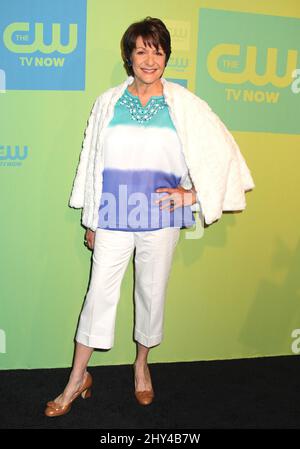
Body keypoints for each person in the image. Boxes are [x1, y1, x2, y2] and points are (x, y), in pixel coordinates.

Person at [44, 17, 254, 417]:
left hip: (160, 217)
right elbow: (92, 162)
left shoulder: (185, 105)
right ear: (129, 56)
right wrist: (91, 217)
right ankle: (77, 378)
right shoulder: (108, 101)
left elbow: (221, 155)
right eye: (141, 50)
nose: (149, 59)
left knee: (151, 293)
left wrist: (193, 194)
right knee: (97, 296)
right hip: (111, 215)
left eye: (157, 51)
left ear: (166, 56)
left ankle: (141, 366)